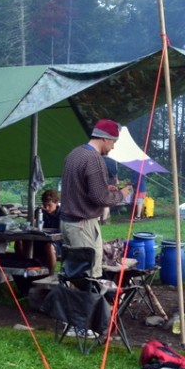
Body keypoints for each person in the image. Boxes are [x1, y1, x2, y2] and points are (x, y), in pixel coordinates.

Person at [59, 119, 132, 278]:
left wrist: (104, 188)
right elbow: (101, 199)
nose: (113, 147)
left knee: (72, 272)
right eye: (113, 142)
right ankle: (86, 303)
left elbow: (78, 188)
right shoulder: (94, 159)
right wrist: (122, 194)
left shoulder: (74, 154)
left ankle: (71, 301)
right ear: (105, 138)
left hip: (67, 223)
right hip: (82, 225)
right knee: (88, 275)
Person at [16, 189, 61, 271]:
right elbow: (32, 225)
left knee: (49, 246)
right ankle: (23, 269)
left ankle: (50, 275)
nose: (46, 208)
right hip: (40, 240)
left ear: (56, 202)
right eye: (44, 205)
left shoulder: (62, 214)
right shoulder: (40, 212)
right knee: (20, 242)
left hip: (57, 242)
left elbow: (62, 232)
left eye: (49, 205)